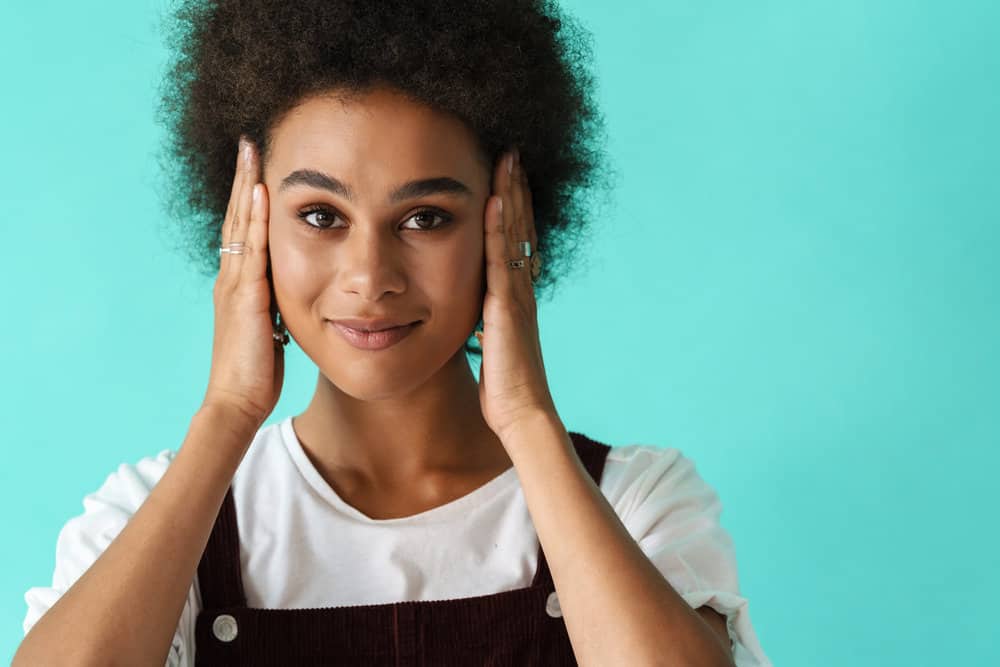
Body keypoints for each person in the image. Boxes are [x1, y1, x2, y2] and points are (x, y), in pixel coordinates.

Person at [16, 1, 772, 665]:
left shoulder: (637, 502)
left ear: (508, 224)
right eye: (321, 216)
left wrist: (528, 421)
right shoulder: (149, 514)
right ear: (248, 226)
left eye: (424, 218)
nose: (370, 275)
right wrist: (227, 413)